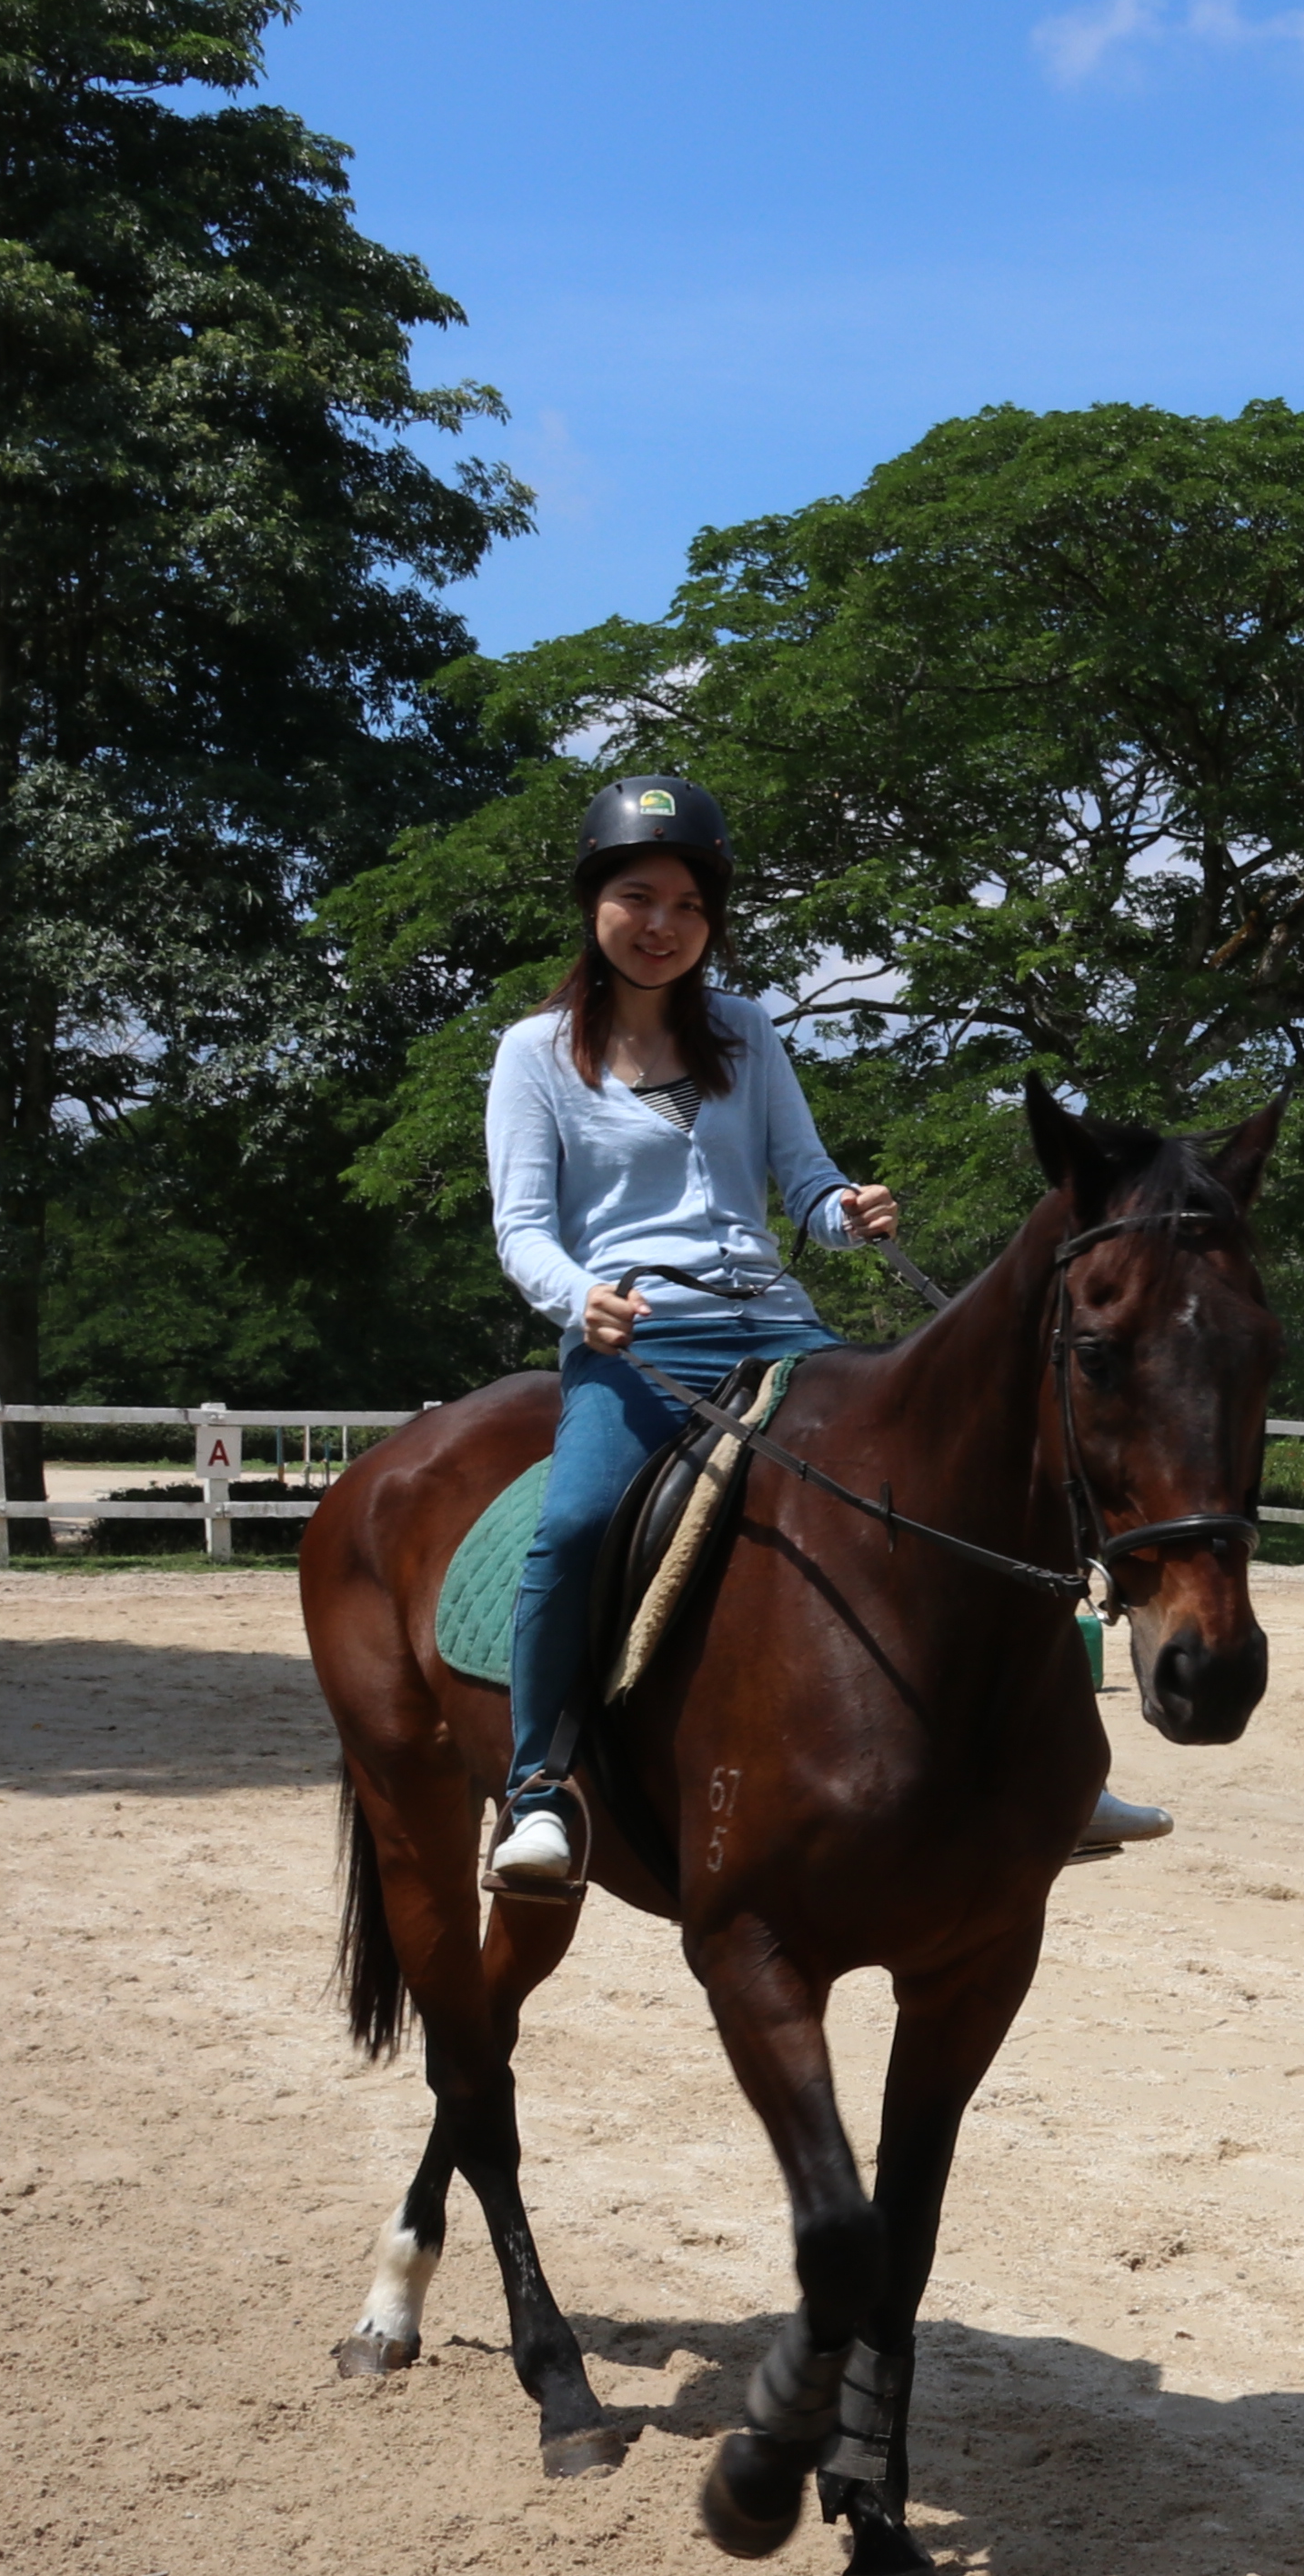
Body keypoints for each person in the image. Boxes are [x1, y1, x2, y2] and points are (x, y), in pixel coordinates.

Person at [480, 774, 1164, 1891]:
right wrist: (578, 1300)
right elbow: (521, 1230)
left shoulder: (745, 1032)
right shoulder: (534, 1055)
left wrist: (845, 1212)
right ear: (593, 903)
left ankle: (1056, 1771)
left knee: (964, 1484)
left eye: (690, 907)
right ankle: (540, 1790)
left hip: (782, 1329)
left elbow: (801, 1184)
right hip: (639, 1342)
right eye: (639, 898)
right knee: (575, 1527)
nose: (663, 926)